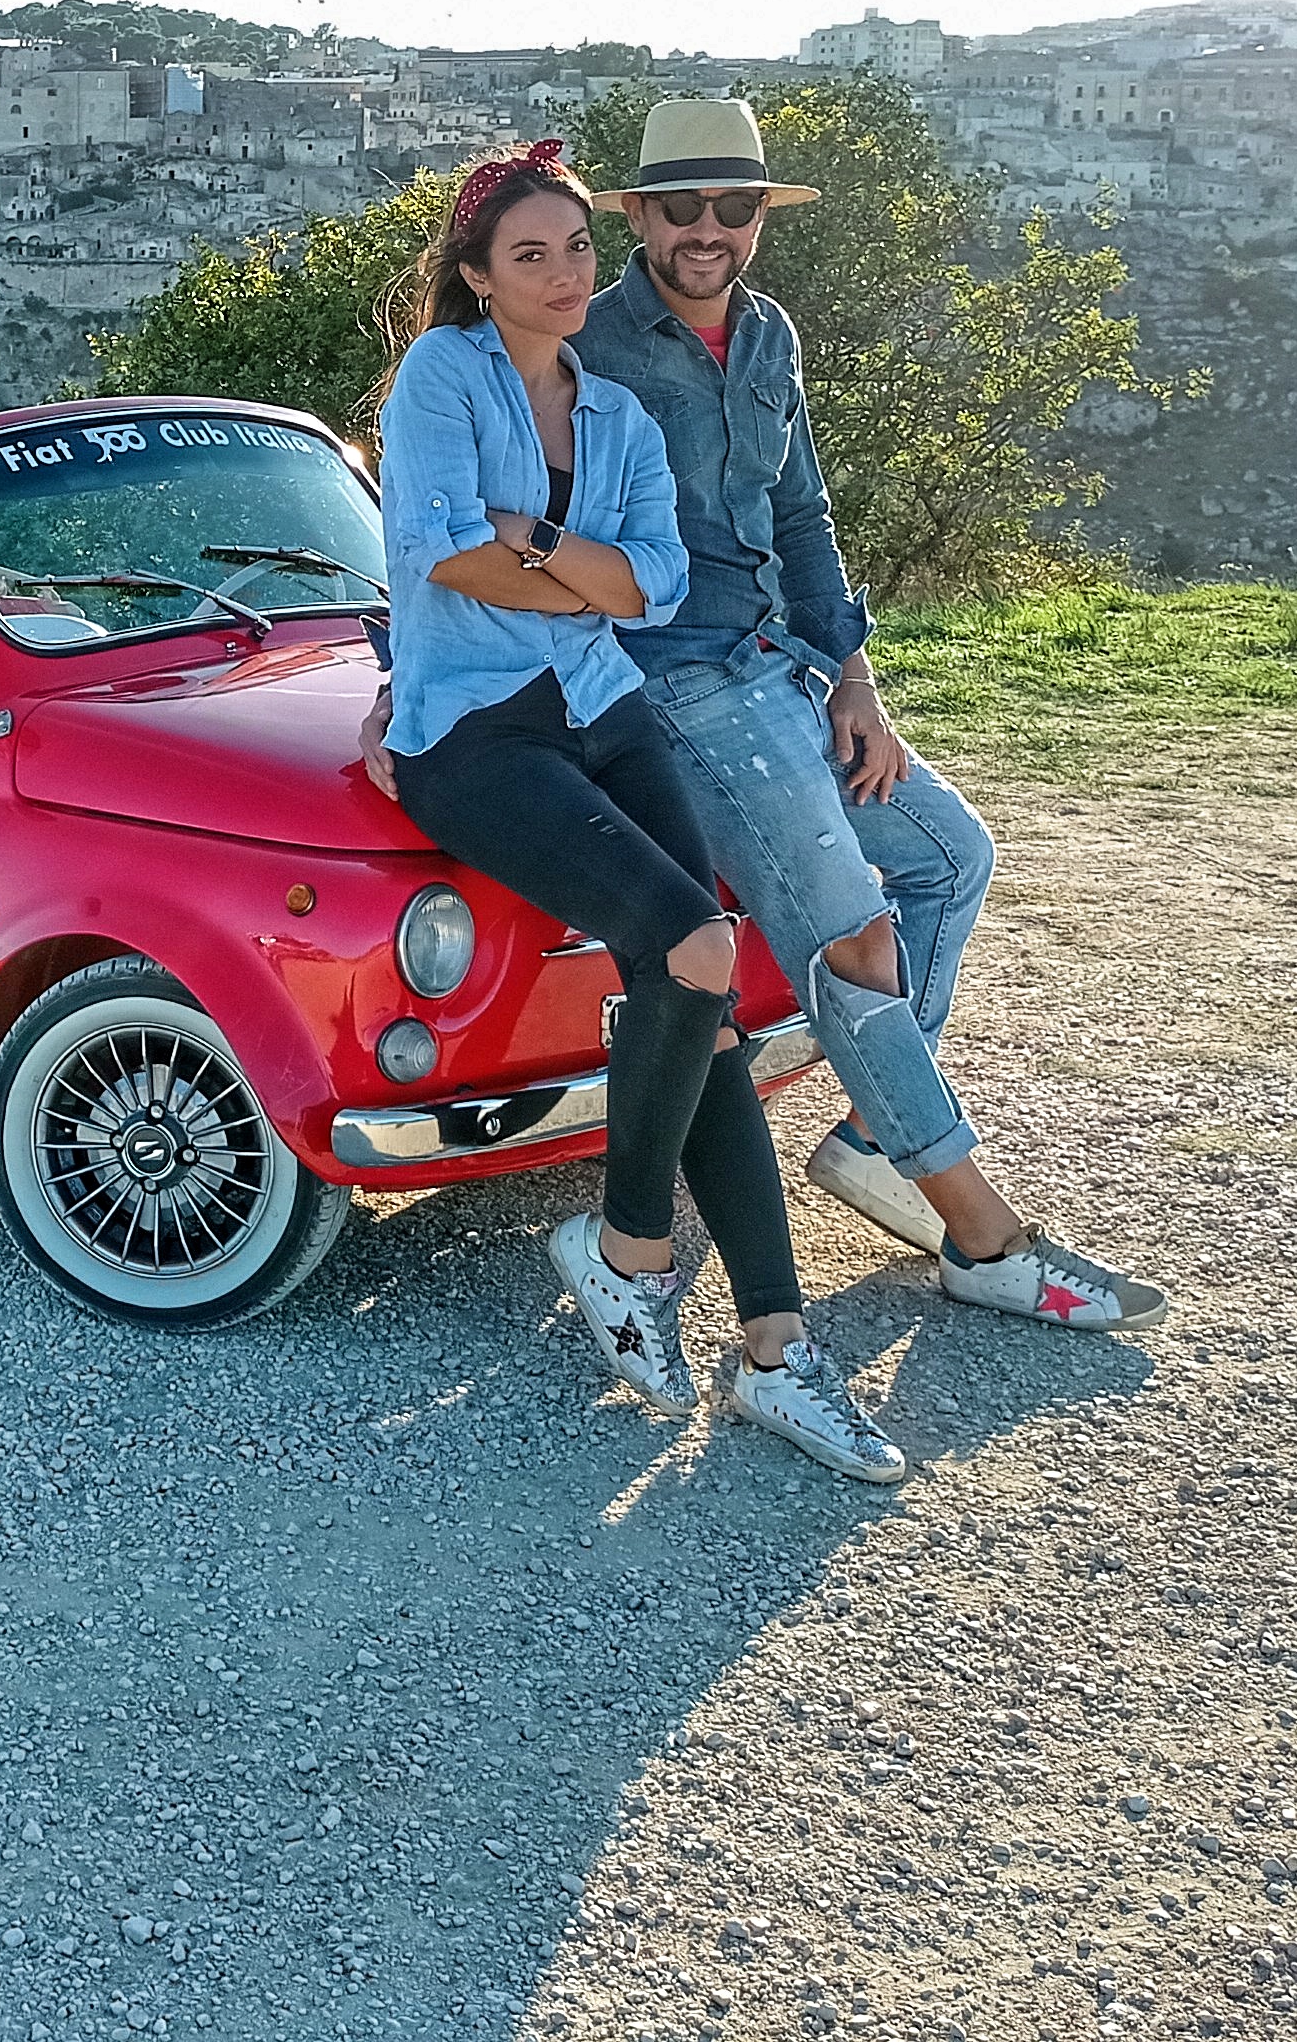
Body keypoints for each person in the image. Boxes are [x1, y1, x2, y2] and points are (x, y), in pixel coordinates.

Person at [572, 95, 1164, 1327]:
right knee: (849, 934)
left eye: (734, 208)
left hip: (780, 663)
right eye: (681, 206)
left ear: (758, 220)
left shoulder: (768, 333)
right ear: (636, 215)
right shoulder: (591, 343)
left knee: (949, 857)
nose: (708, 230)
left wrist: (857, 677)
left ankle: (871, 1141)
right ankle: (985, 1238)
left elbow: (802, 517)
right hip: (668, 681)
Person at [372, 139, 907, 1482]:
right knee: (698, 946)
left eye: (574, 250)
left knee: (705, 993)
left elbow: (655, 587)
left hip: (605, 705)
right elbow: (446, 548)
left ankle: (776, 1351)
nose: (564, 275)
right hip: (476, 733)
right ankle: (628, 1254)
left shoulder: (613, 413)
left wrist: (536, 547)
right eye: (530, 255)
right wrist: (566, 570)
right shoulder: (445, 376)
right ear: (479, 280)